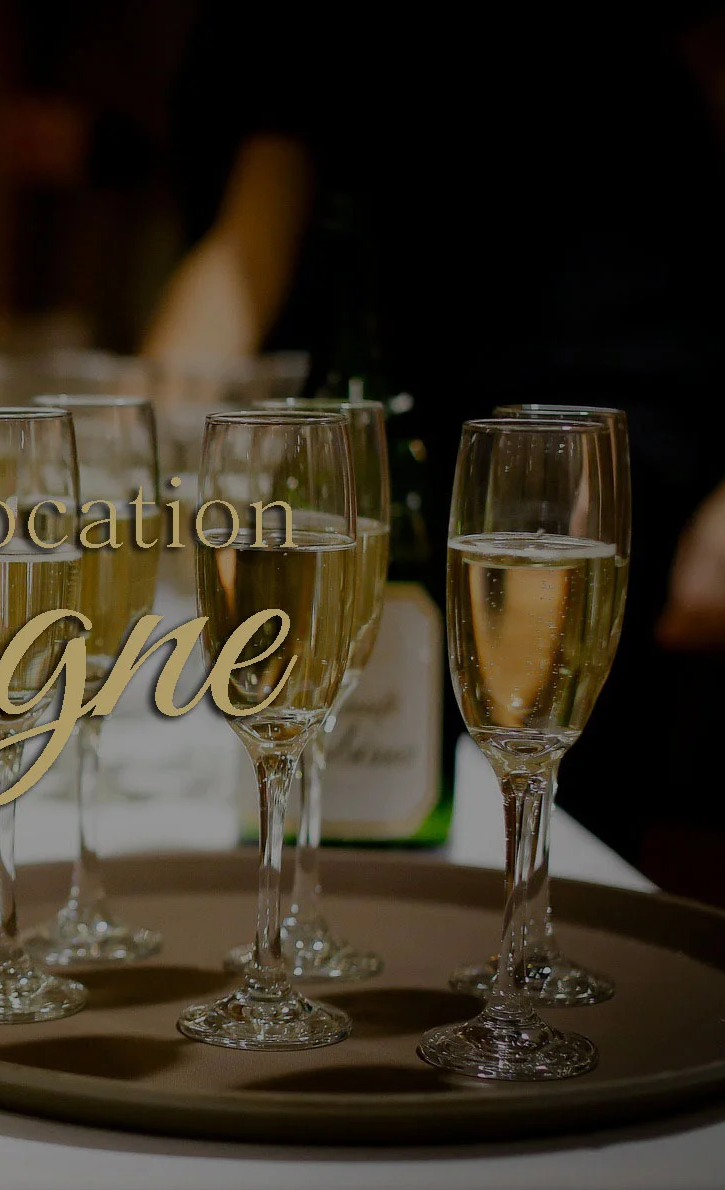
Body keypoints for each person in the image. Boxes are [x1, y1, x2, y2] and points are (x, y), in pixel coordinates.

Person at [144, 4, 725, 877]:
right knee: (363, 800)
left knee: (564, 801)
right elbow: (256, 222)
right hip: (378, 424)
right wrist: (151, 442)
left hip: (601, 430)